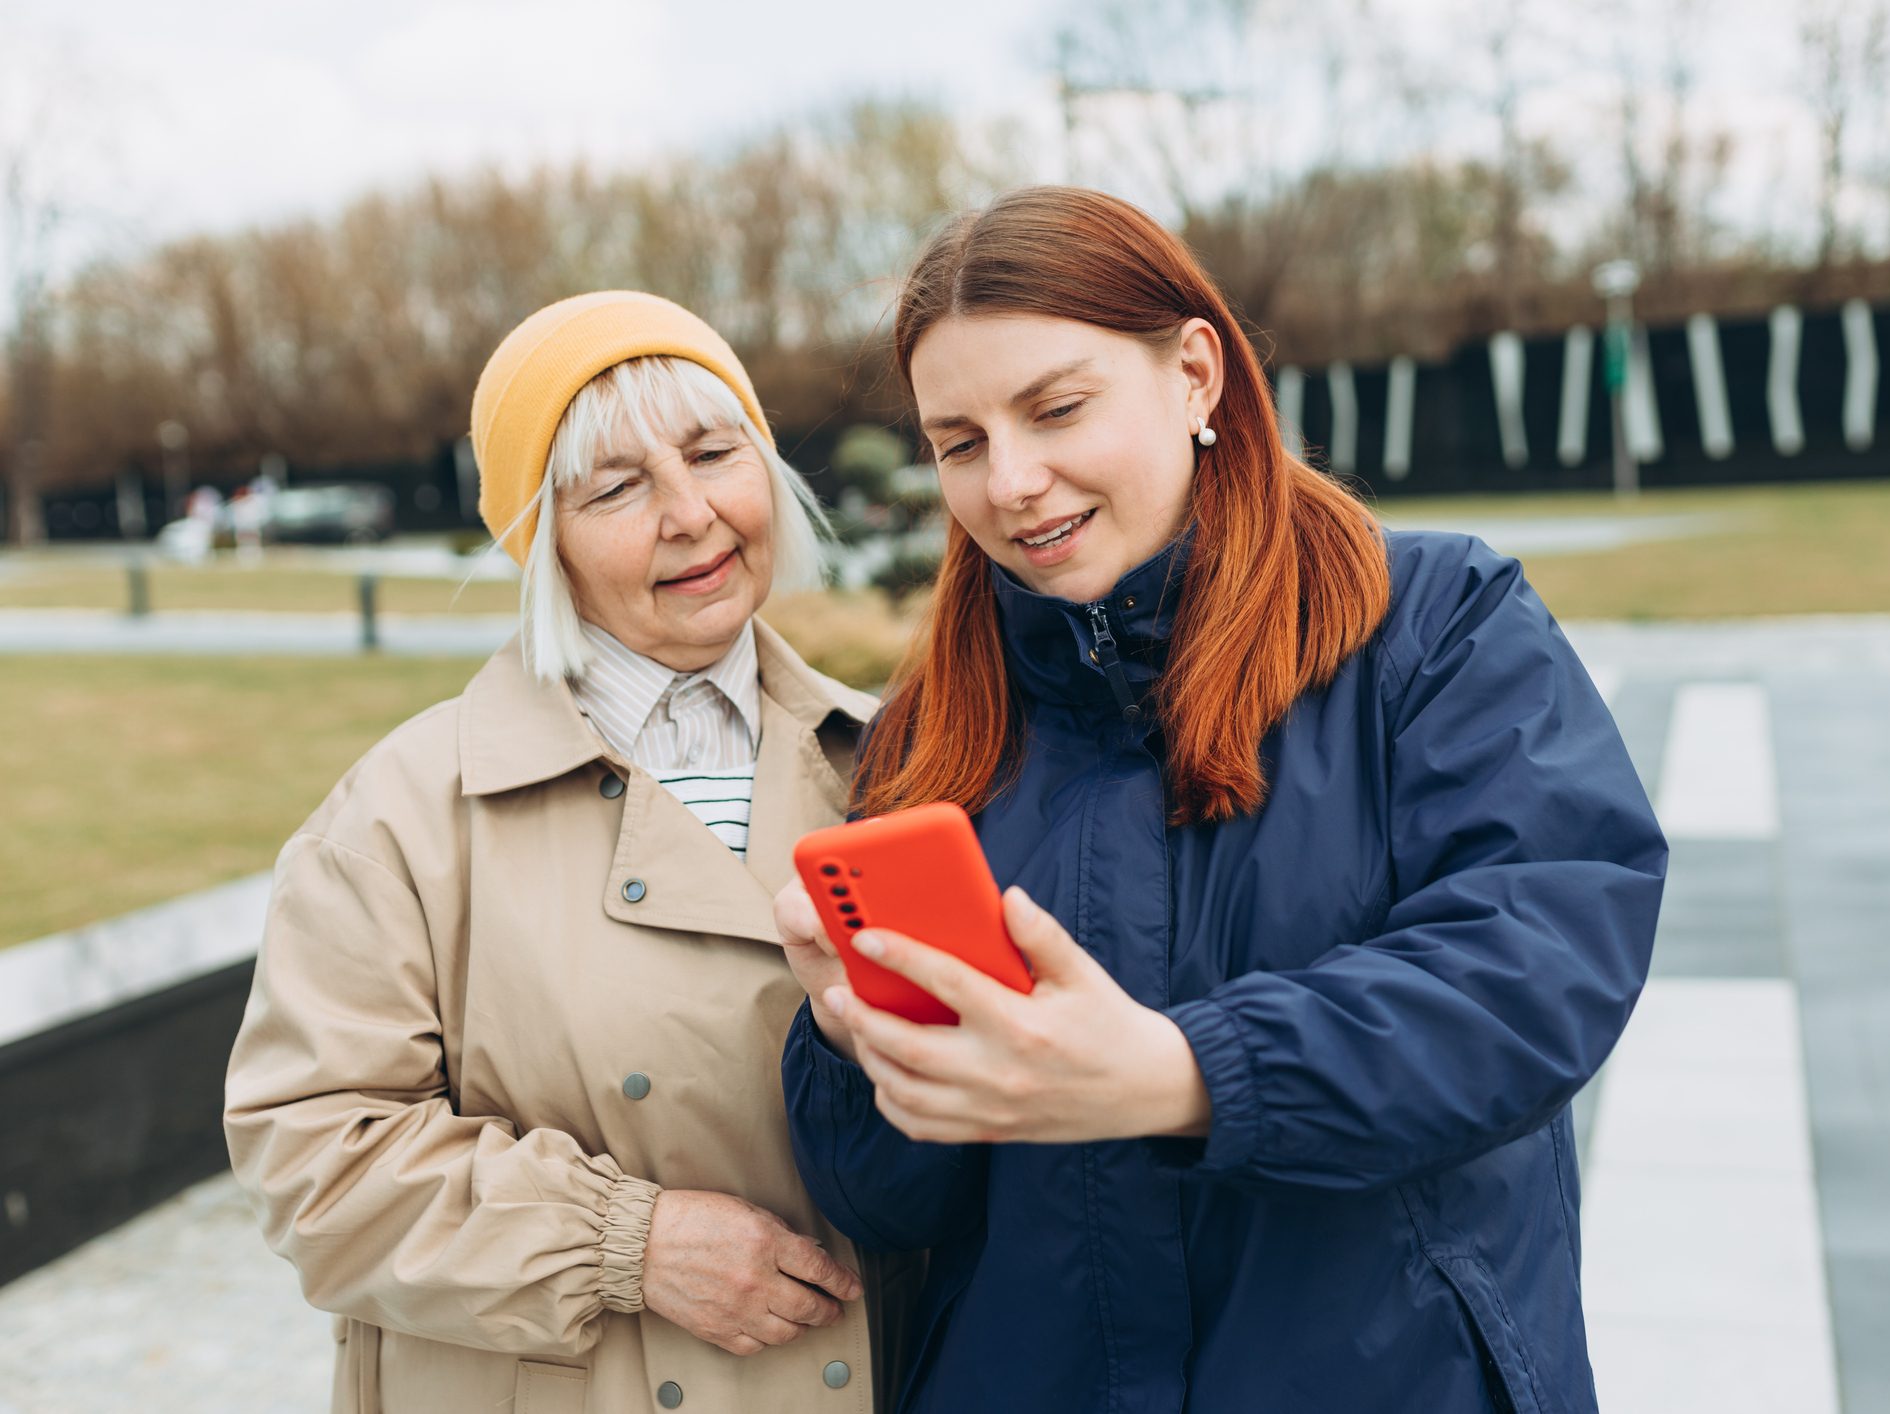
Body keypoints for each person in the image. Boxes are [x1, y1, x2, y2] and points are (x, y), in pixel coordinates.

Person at [771, 189, 1668, 1413]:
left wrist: (1187, 1071)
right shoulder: (936, 728)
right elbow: (890, 1203)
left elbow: (1537, 971)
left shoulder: (1434, 621)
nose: (1013, 481)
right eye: (960, 441)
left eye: (1057, 408)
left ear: (1195, 375)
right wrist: (847, 1029)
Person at [226, 292, 914, 1414]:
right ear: (541, 541)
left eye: (711, 451)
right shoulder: (401, 815)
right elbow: (314, 1161)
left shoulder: (909, 761)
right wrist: (626, 1244)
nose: (690, 513)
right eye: (617, 486)